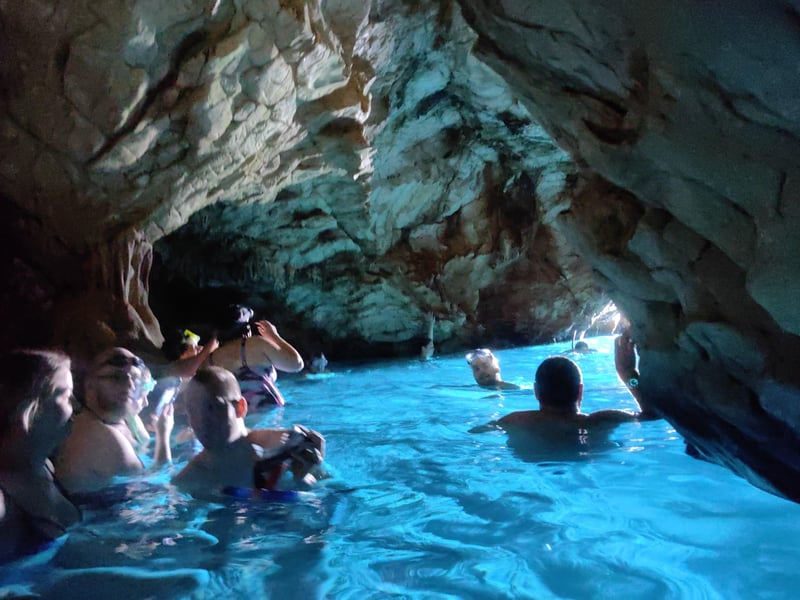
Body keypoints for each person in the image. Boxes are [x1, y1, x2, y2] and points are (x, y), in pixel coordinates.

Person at [172, 367, 325, 499]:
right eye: (192, 411)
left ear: (240, 408)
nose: (201, 420)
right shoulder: (191, 479)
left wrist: (308, 476)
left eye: (212, 408)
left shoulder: (286, 447)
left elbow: (334, 491)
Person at [54, 347, 173, 494]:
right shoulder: (99, 437)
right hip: (101, 512)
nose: (130, 385)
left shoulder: (126, 419)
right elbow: (157, 489)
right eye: (116, 377)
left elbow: (146, 446)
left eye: (135, 379)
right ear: (89, 384)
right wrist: (164, 437)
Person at [0, 349, 81, 563]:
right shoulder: (2, 501)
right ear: (28, 408)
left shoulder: (44, 465)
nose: (77, 406)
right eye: (65, 395)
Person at [472, 355, 656, 436]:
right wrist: (628, 374)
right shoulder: (602, 420)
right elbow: (651, 414)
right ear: (580, 391)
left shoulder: (514, 421)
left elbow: (476, 432)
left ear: (536, 392)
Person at [208, 307, 304, 408]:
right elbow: (296, 365)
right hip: (270, 411)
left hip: (237, 416)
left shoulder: (211, 358)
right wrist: (274, 336)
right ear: (247, 329)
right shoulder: (256, 344)